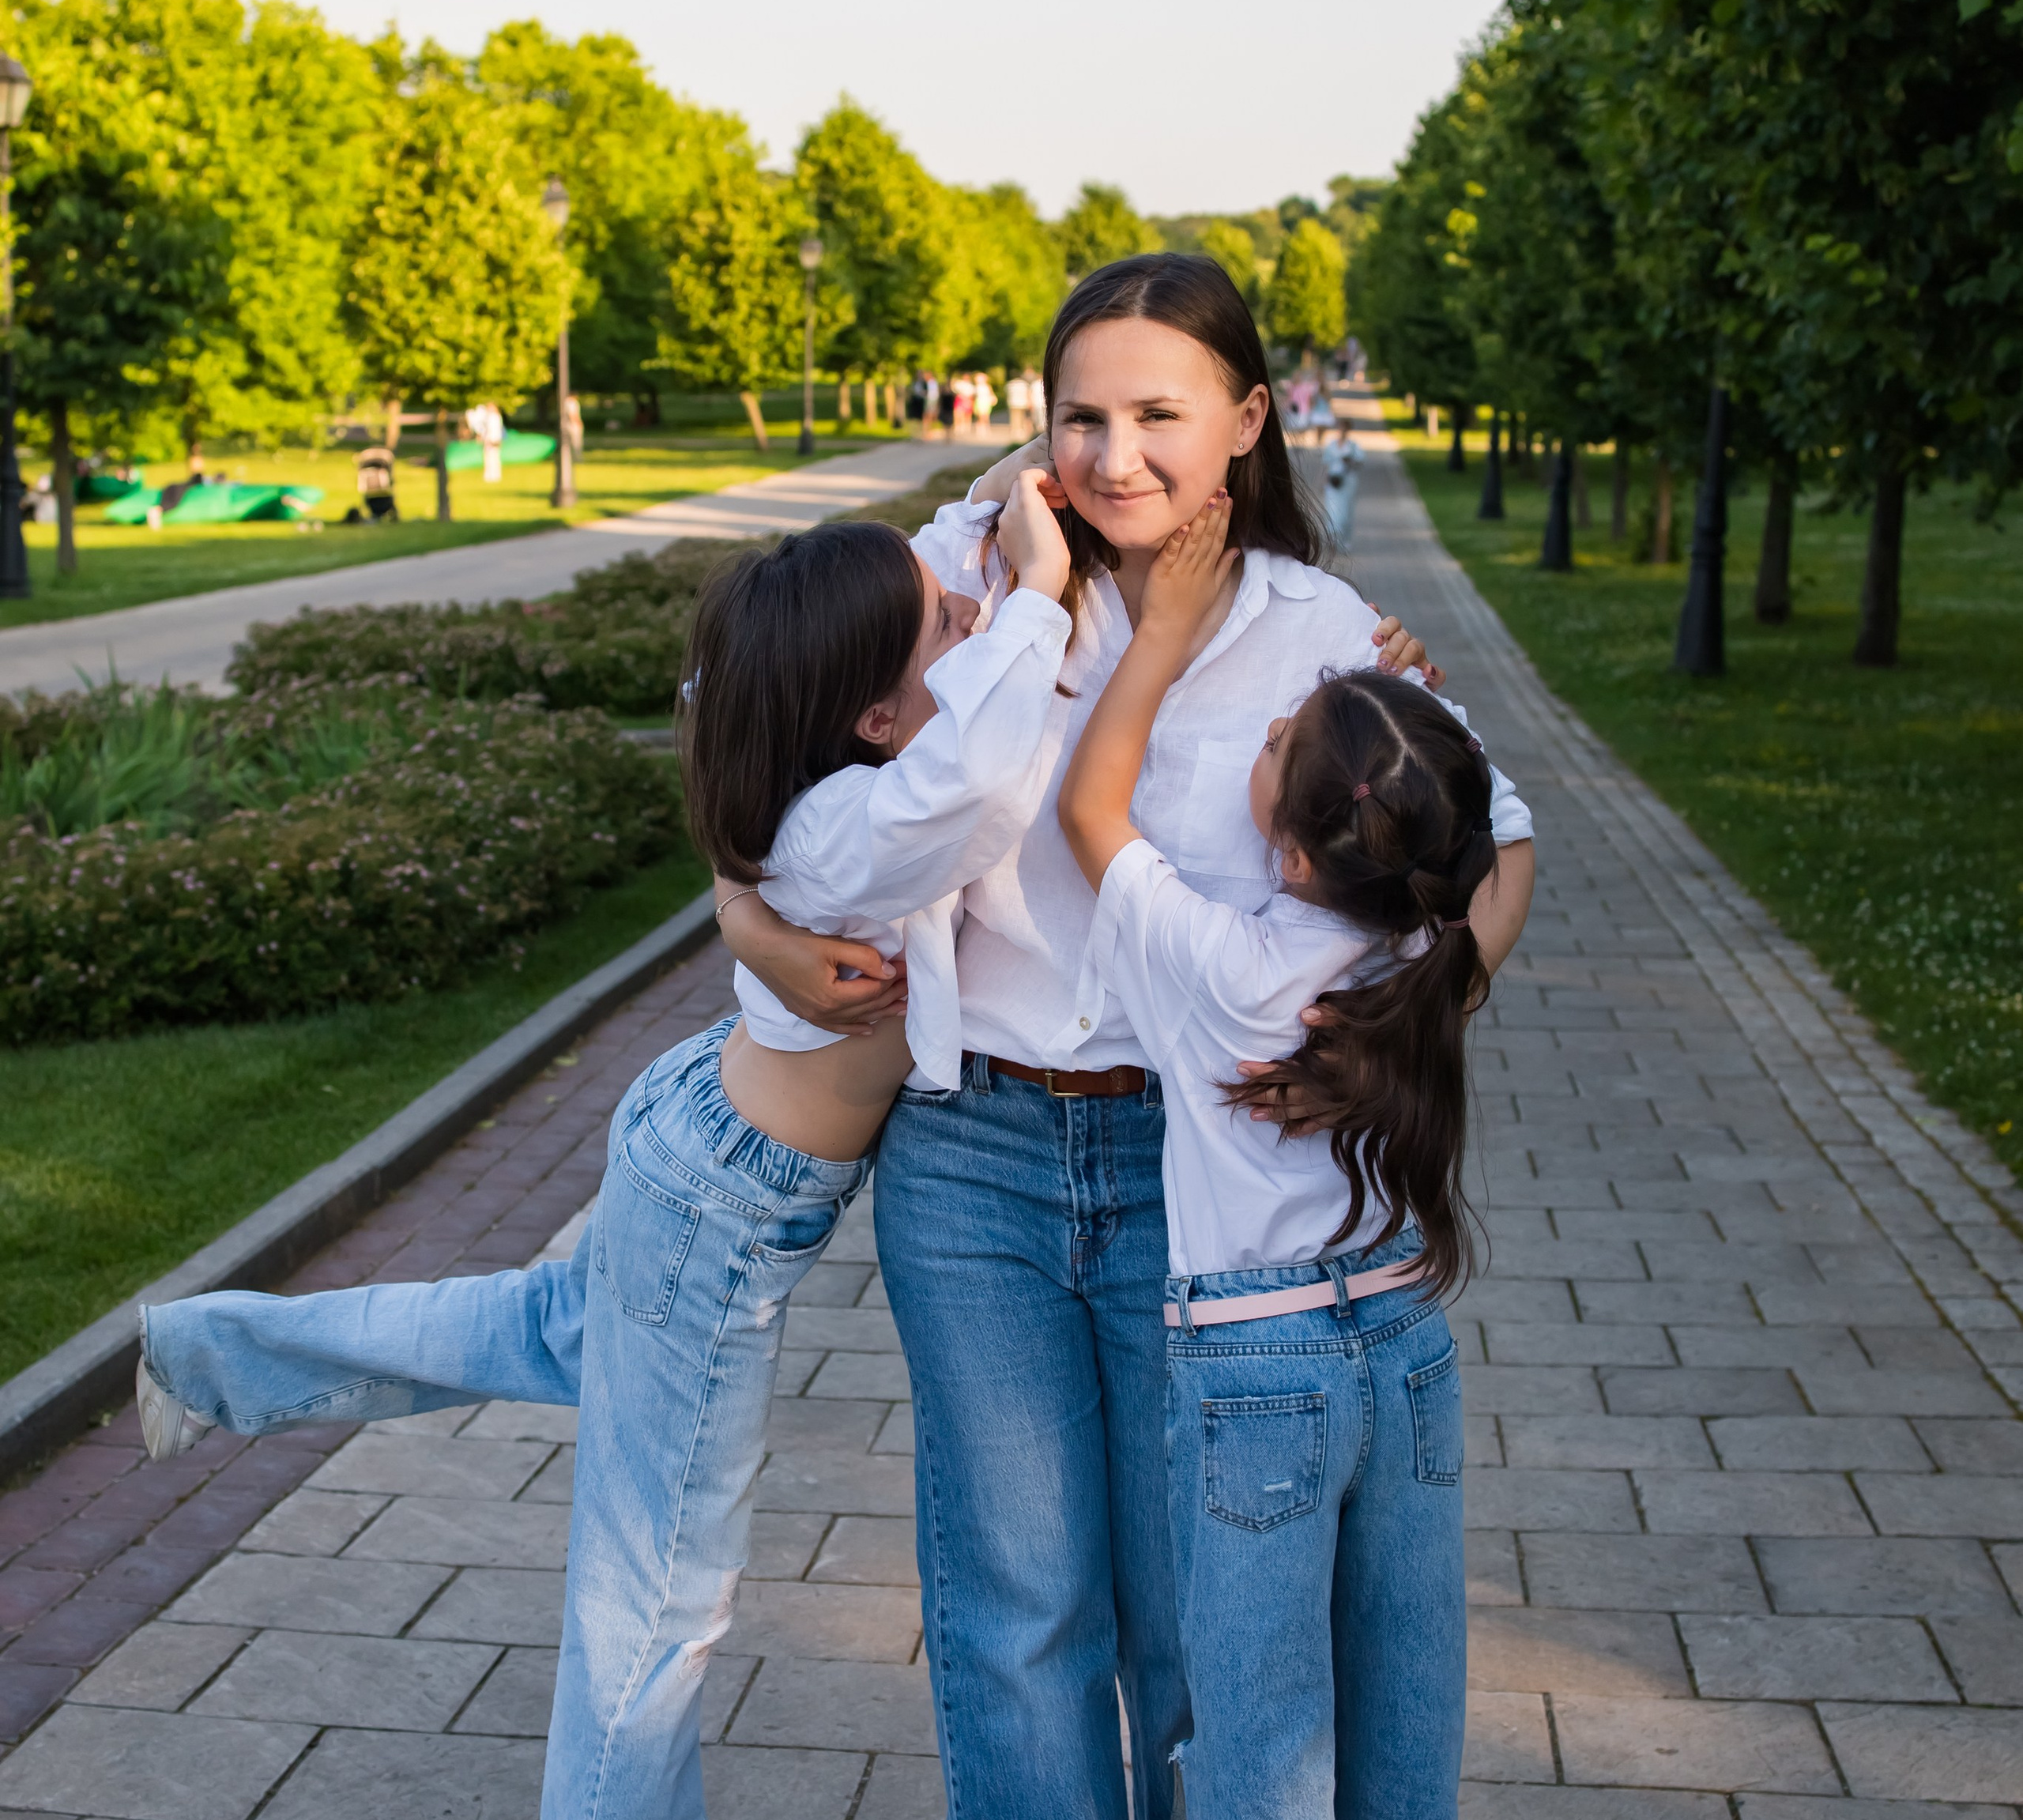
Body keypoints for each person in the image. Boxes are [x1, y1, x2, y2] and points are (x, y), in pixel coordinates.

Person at [719, 253, 1532, 1820]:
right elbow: (737, 721)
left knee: (1195, 1618)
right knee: (1018, 1603)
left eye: (1158, 412)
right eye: (1078, 414)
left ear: (1246, 419)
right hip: (975, 1156)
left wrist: (1393, 1023)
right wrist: (750, 923)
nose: (1111, 455)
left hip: (1203, 1175)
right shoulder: (956, 574)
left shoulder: (1322, 636)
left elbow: (1497, 842)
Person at [135, 477, 1079, 1820]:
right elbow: (982, 770)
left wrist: (1016, 482)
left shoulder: (841, 752)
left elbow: (924, 578)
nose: (977, 608)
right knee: (652, 1602)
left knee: (530, 1331)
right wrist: (1040, 595)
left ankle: (203, 1352)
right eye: (950, 623)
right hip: (719, 1217)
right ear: (874, 715)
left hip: (698, 1141)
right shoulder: (861, 825)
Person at [1057, 492, 1525, 1813]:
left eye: (1284, 736)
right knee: (1408, 1710)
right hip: (1406, 1348)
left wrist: (1155, 641)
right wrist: (1410, 694)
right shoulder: (1427, 953)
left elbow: (1093, 812)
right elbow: (1504, 845)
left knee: (1260, 1743)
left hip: (1261, 1366)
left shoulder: (1243, 978)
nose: (1268, 724)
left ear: (1290, 843)